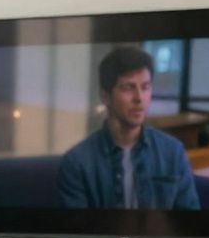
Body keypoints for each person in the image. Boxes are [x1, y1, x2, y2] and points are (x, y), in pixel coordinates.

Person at [56, 45, 200, 209]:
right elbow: (78, 232)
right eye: (128, 88)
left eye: (145, 87)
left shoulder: (173, 152)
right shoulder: (77, 163)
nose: (139, 98)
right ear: (105, 96)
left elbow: (188, 225)